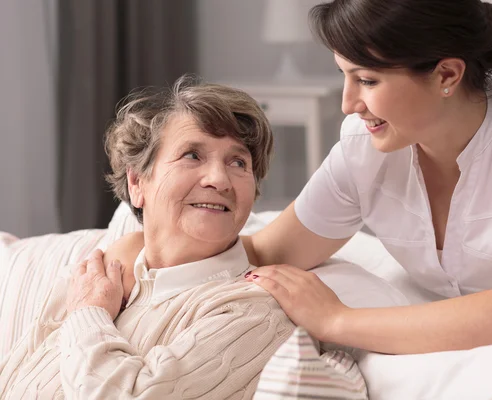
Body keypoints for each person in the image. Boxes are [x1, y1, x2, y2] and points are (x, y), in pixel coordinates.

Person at [107, 0, 492, 356]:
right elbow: (267, 252)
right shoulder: (367, 147)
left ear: (447, 74)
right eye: (345, 76)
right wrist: (142, 253)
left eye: (367, 80)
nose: (348, 103)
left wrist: (338, 320)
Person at [0, 76, 295, 399]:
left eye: (238, 162)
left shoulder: (250, 314)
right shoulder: (96, 277)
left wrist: (88, 314)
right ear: (138, 182)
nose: (219, 179)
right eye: (192, 155)